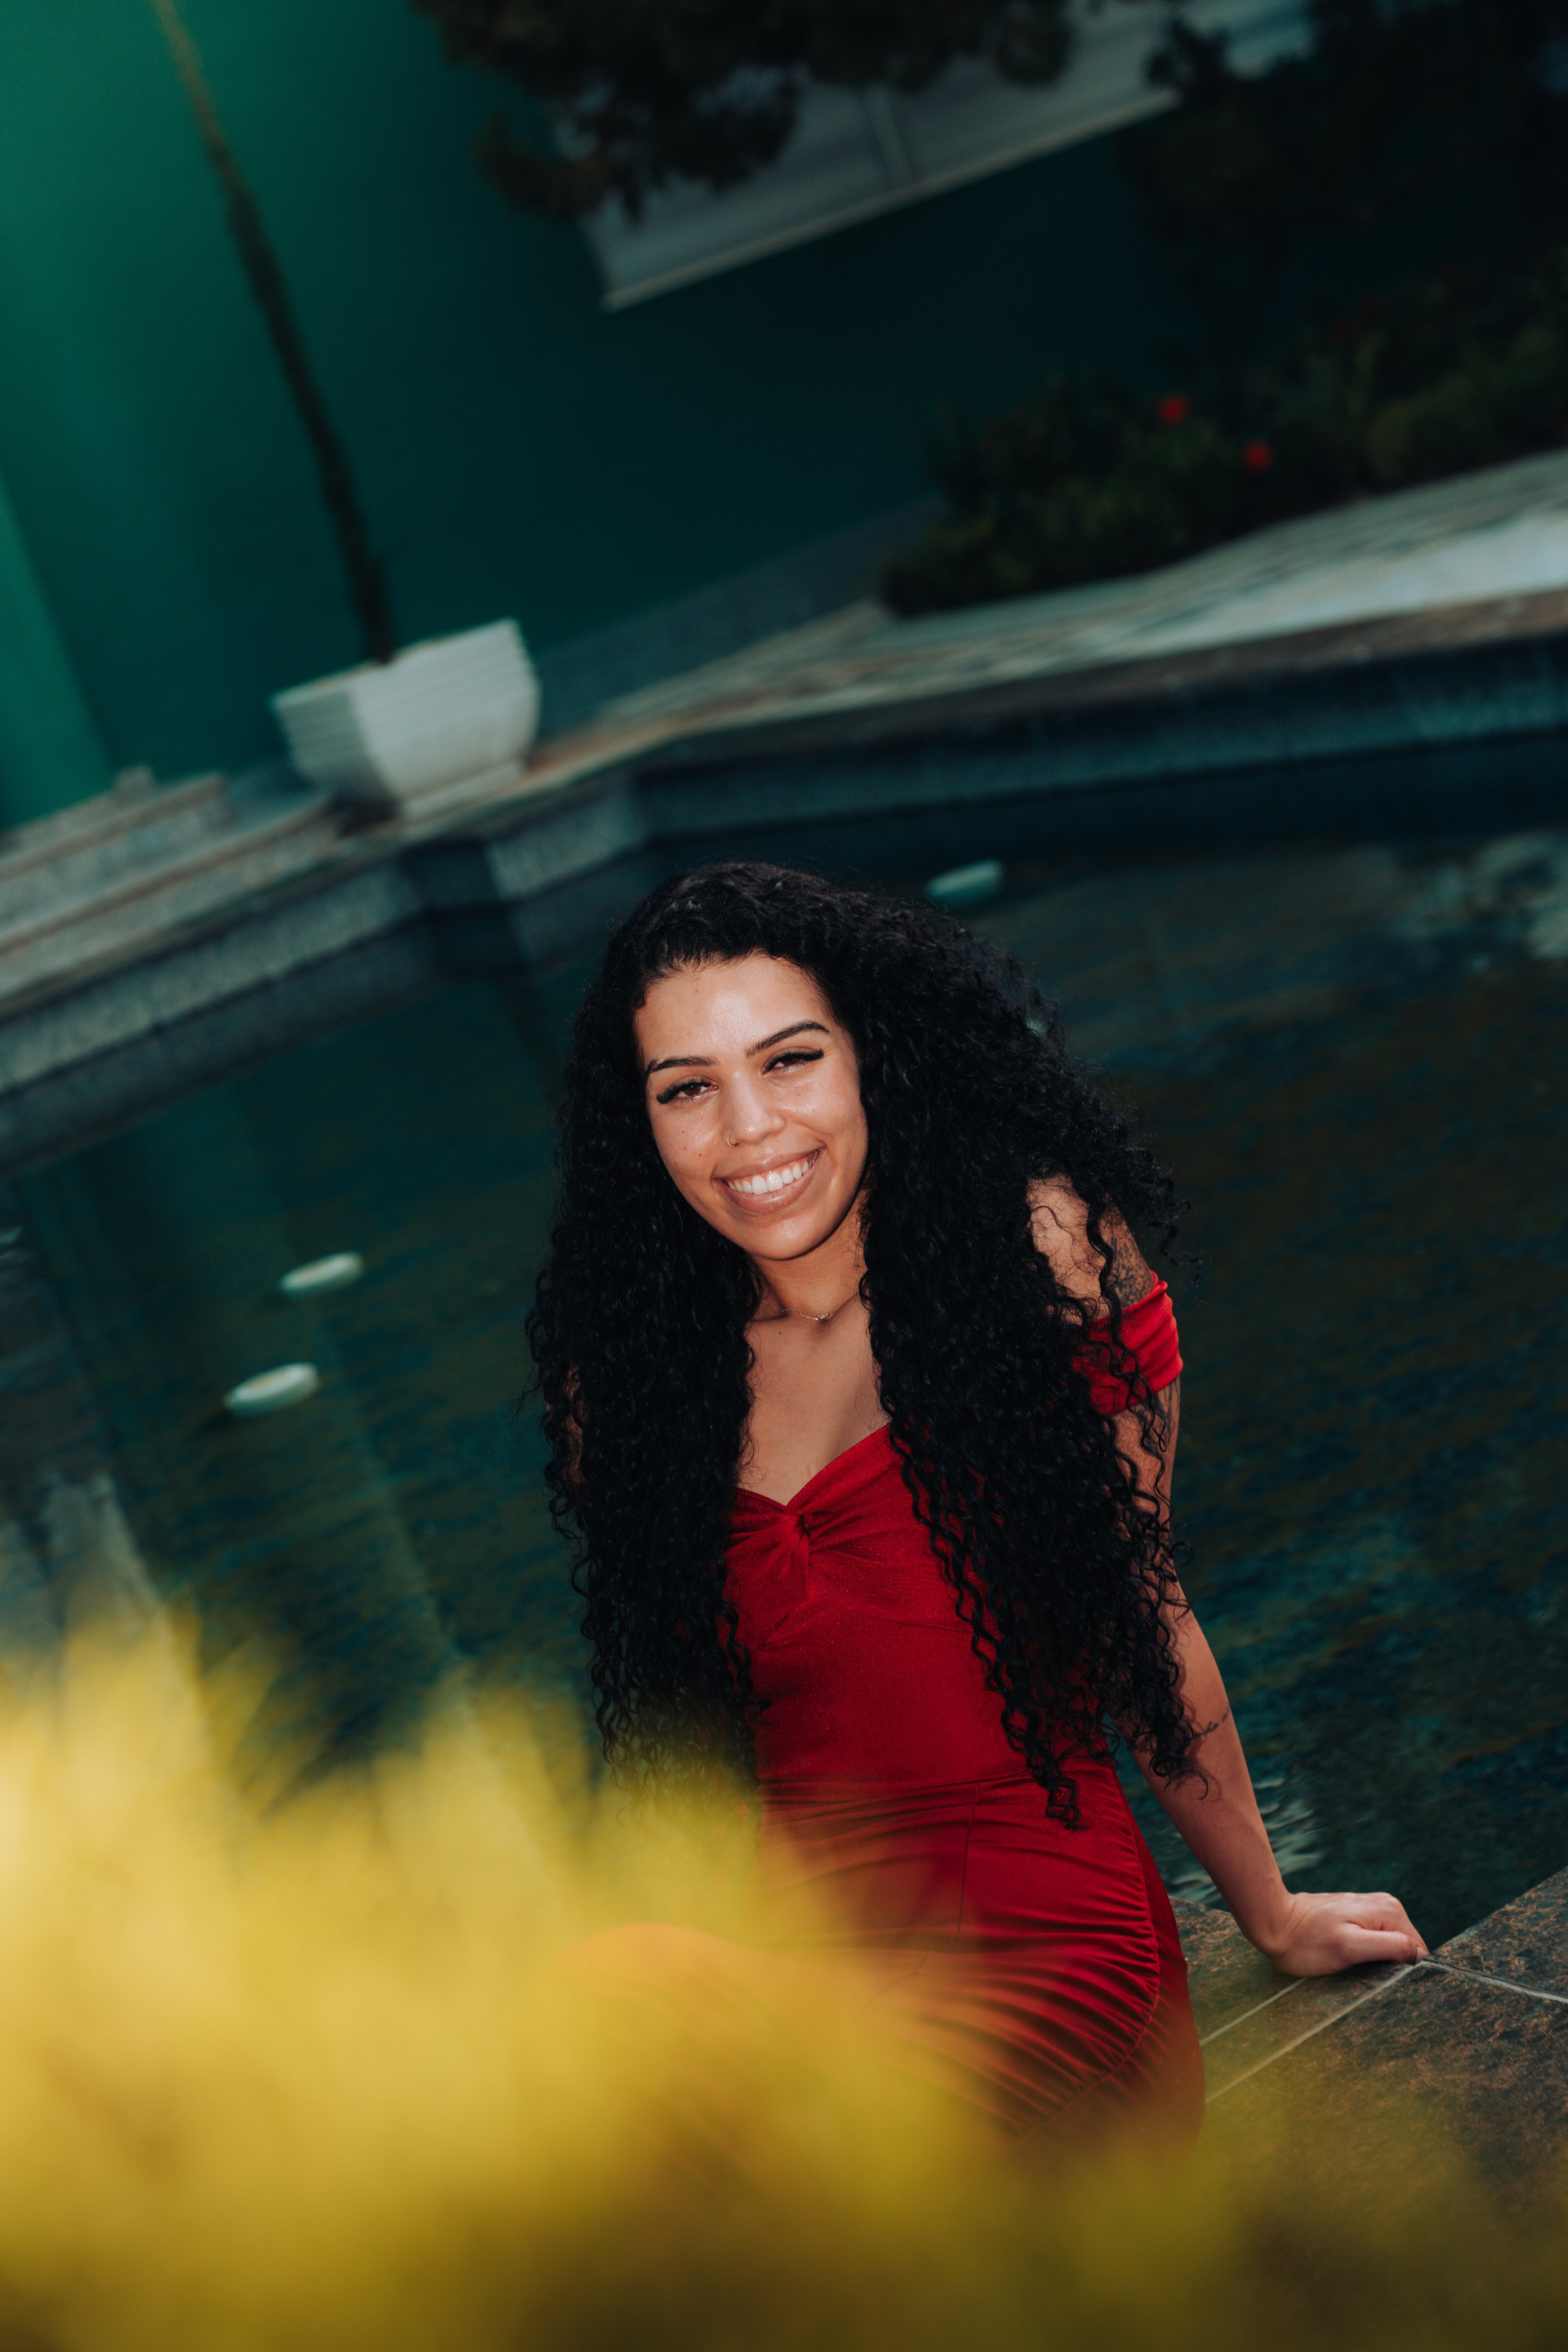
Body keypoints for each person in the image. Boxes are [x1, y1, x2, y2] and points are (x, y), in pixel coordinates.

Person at [528, 862, 1425, 2154]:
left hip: (1040, 1950)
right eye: (687, 1088)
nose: (749, 1129)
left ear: (873, 1055)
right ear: (641, 1125)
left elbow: (1142, 1614)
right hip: (791, 1955)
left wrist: (1270, 1914)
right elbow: (703, 1743)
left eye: (790, 1060)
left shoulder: (1041, 1259)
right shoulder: (626, 1385)